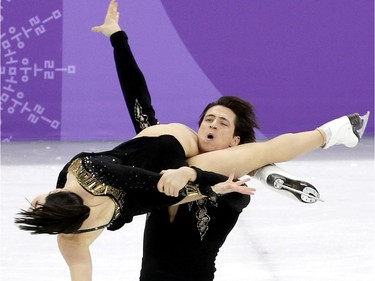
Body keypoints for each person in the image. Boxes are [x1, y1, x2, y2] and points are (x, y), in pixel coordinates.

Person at [91, 1, 370, 280]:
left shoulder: (235, 191)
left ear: (236, 140)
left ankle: (325, 136)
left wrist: (242, 166)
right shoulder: (166, 154)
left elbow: (211, 181)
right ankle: (267, 168)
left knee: (239, 160)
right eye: (208, 119)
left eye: (222, 123)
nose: (212, 124)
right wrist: (117, 36)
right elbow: (138, 98)